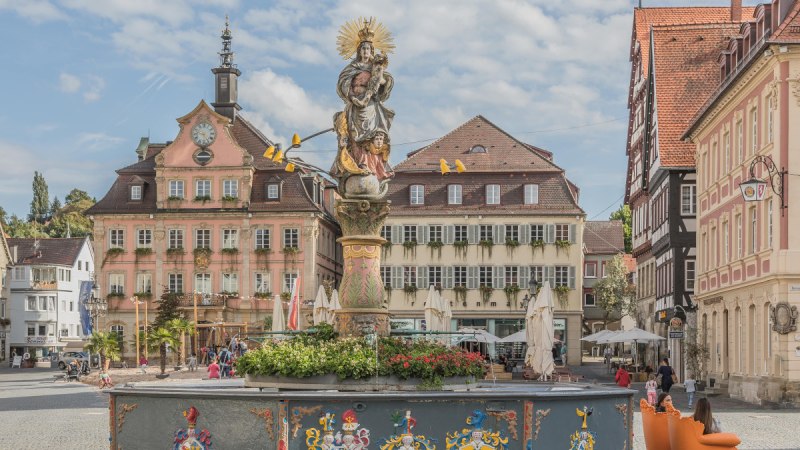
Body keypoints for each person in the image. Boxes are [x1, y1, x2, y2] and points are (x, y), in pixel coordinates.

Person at [332, 34, 395, 184]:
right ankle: (358, 164)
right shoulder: (352, 68)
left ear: (372, 51)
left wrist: (381, 79)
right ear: (359, 51)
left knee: (371, 135)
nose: (366, 51)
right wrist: (352, 96)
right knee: (355, 136)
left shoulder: (376, 67)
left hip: (371, 106)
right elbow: (343, 83)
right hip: (355, 105)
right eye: (363, 48)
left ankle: (372, 166)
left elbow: (387, 82)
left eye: (368, 48)